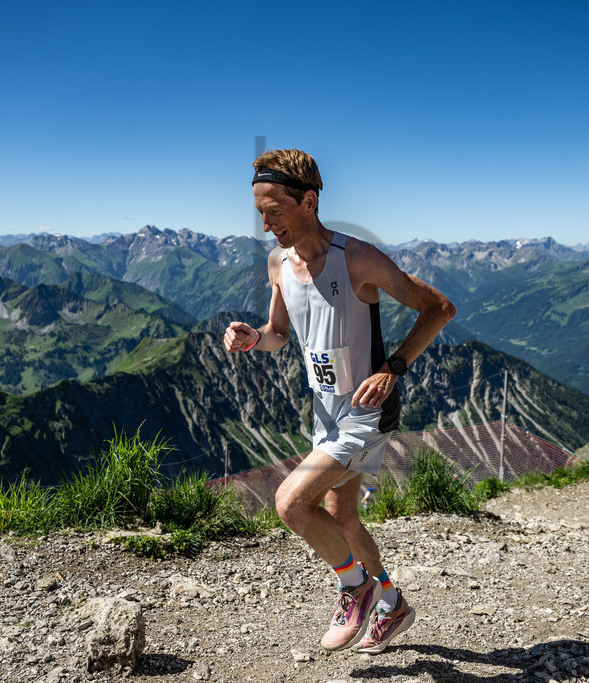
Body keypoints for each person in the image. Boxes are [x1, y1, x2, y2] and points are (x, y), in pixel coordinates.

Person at [223, 149, 455, 654]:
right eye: (259, 212)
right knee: (342, 516)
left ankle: (355, 586)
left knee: (290, 502)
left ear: (309, 202)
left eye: (274, 211)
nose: (265, 225)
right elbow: (279, 333)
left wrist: (393, 367)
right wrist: (253, 338)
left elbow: (439, 308)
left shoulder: (358, 258)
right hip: (325, 410)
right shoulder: (278, 263)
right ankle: (392, 605)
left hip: (367, 413)